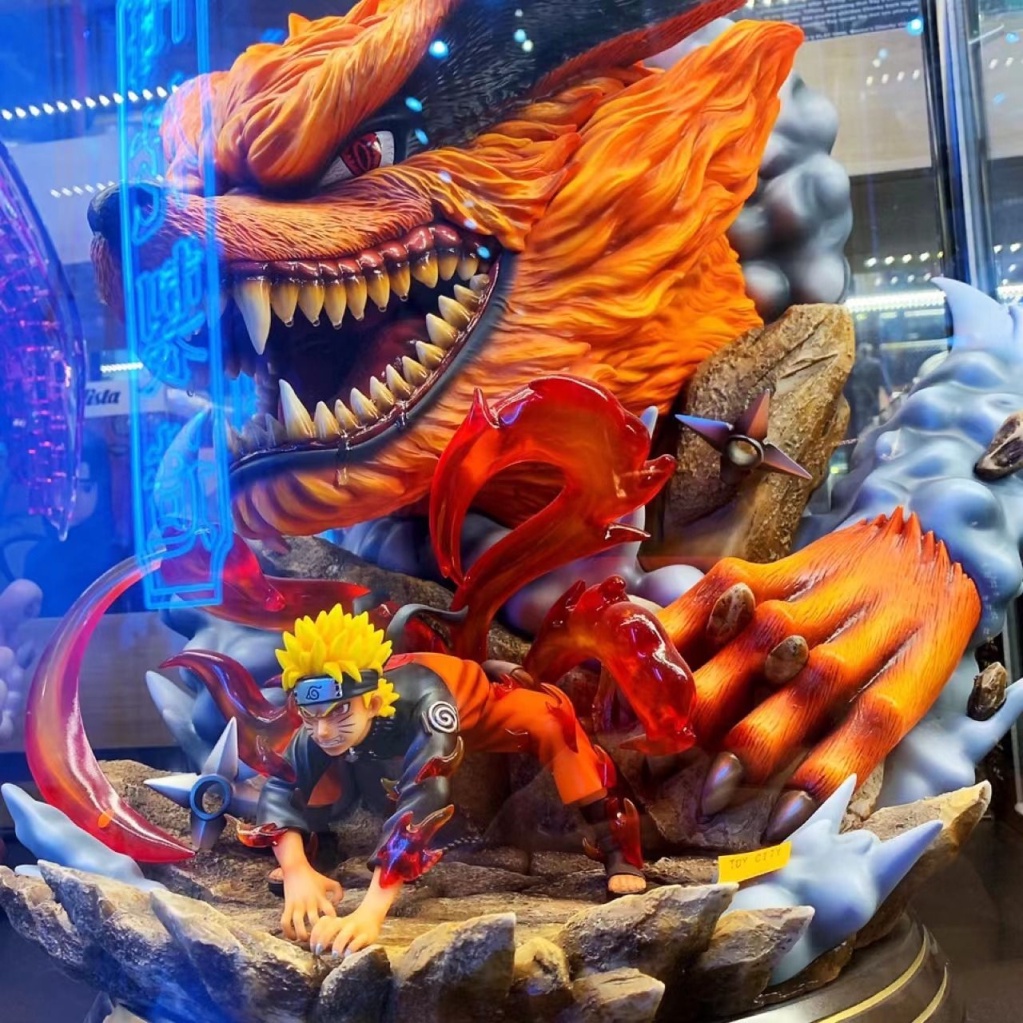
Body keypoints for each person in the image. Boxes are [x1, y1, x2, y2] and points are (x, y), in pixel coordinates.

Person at [255, 606, 644, 957]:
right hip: (386, 727)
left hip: (477, 708)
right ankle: (314, 850)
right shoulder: (324, 721)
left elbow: (423, 795)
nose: (322, 730)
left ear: (372, 702)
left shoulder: (427, 703)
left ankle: (618, 846)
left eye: (338, 712)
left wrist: (370, 912)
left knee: (553, 723)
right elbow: (281, 783)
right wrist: (295, 869)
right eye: (310, 716)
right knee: (313, 758)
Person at [22, 433, 133, 615]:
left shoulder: (119, 554)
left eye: (85, 487)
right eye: (60, 488)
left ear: (101, 489)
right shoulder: (37, 558)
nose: (72, 499)